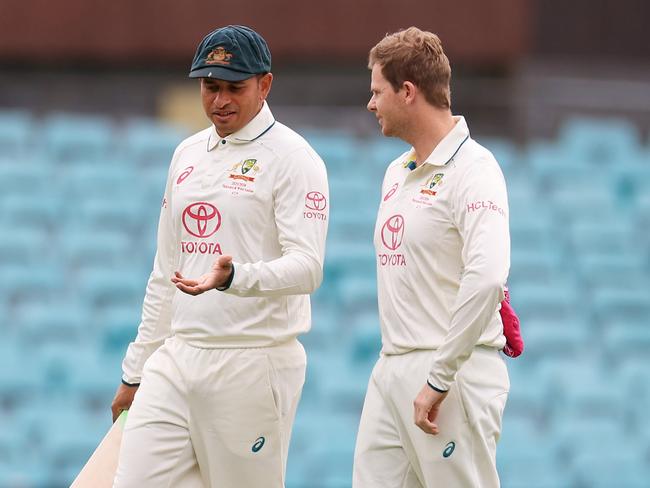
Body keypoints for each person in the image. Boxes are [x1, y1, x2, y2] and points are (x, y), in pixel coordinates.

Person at [110, 24, 329, 487]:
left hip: (252, 360)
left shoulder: (294, 157)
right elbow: (162, 272)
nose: (220, 101)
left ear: (265, 85)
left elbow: (308, 268)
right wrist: (136, 368)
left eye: (235, 87)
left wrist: (236, 278)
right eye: (210, 87)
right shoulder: (186, 153)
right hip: (177, 359)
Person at [353, 27, 513, 487]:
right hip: (391, 368)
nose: (370, 104)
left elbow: (486, 278)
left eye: (377, 92)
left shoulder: (475, 169)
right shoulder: (395, 171)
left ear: (407, 92)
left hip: (453, 377)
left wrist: (439, 379)